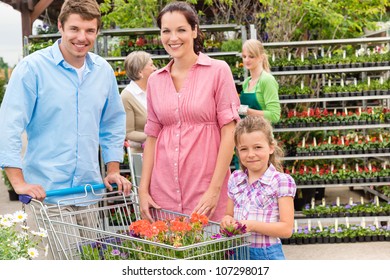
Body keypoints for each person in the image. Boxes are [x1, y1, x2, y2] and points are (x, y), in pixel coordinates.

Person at [0, 0, 132, 205]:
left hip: (89, 193)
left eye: (90, 30)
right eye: (74, 28)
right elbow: (8, 126)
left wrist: (113, 170)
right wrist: (18, 182)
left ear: (97, 32)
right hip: (47, 197)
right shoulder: (32, 69)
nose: (82, 37)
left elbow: (112, 123)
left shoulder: (103, 71)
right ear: (60, 26)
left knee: (92, 240)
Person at [138, 1, 240, 222]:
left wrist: (214, 190)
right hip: (162, 192)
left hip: (205, 191)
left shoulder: (218, 71)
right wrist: (143, 191)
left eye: (181, 30)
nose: (173, 38)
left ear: (194, 30)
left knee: (211, 254)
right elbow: (152, 137)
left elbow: (229, 132)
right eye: (166, 31)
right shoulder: (155, 81)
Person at [221, 116, 296, 260]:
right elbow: (229, 214)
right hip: (237, 252)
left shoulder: (281, 182)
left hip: (267, 254)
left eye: (258, 147)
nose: (250, 154)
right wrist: (226, 220)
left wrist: (251, 225)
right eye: (244, 149)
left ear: (271, 148)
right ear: (237, 151)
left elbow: (286, 229)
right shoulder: (236, 179)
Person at [121, 51, 157, 153]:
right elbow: (128, 133)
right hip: (141, 155)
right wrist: (157, 136)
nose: (155, 68)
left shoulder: (155, 90)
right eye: (151, 65)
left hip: (162, 152)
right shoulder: (127, 96)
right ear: (139, 72)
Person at [238, 39, 281, 124]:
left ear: (261, 57)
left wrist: (246, 111)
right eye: (244, 56)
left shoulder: (267, 80)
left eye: (251, 56)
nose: (247, 60)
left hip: (262, 134)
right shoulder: (247, 82)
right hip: (246, 134)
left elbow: (274, 116)